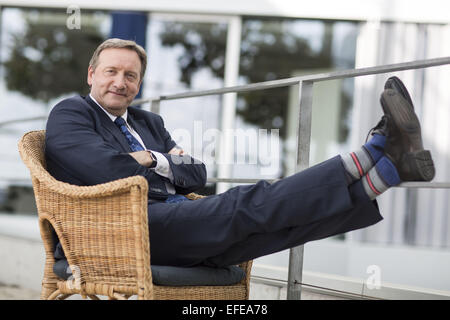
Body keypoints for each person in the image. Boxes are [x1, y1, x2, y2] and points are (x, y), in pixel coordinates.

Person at [45, 38, 435, 269]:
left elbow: (197, 173)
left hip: (170, 223)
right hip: (114, 230)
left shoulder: (148, 123)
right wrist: (157, 160)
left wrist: (155, 160)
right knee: (246, 201)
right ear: (92, 74)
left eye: (130, 76)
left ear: (139, 82)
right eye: (111, 72)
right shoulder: (71, 113)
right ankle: (375, 152)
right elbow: (105, 169)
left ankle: (389, 173)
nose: (120, 82)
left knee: (276, 229)